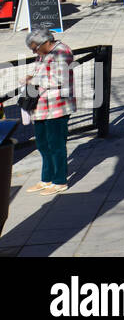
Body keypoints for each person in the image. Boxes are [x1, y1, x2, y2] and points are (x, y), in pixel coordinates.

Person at [23, 26, 76, 195]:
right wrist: (30, 78)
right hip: (41, 105)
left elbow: (60, 78)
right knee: (43, 143)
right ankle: (46, 178)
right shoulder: (43, 54)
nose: (34, 53)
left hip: (57, 106)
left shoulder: (62, 52)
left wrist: (34, 80)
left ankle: (60, 181)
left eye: (35, 49)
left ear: (45, 42)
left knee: (56, 144)